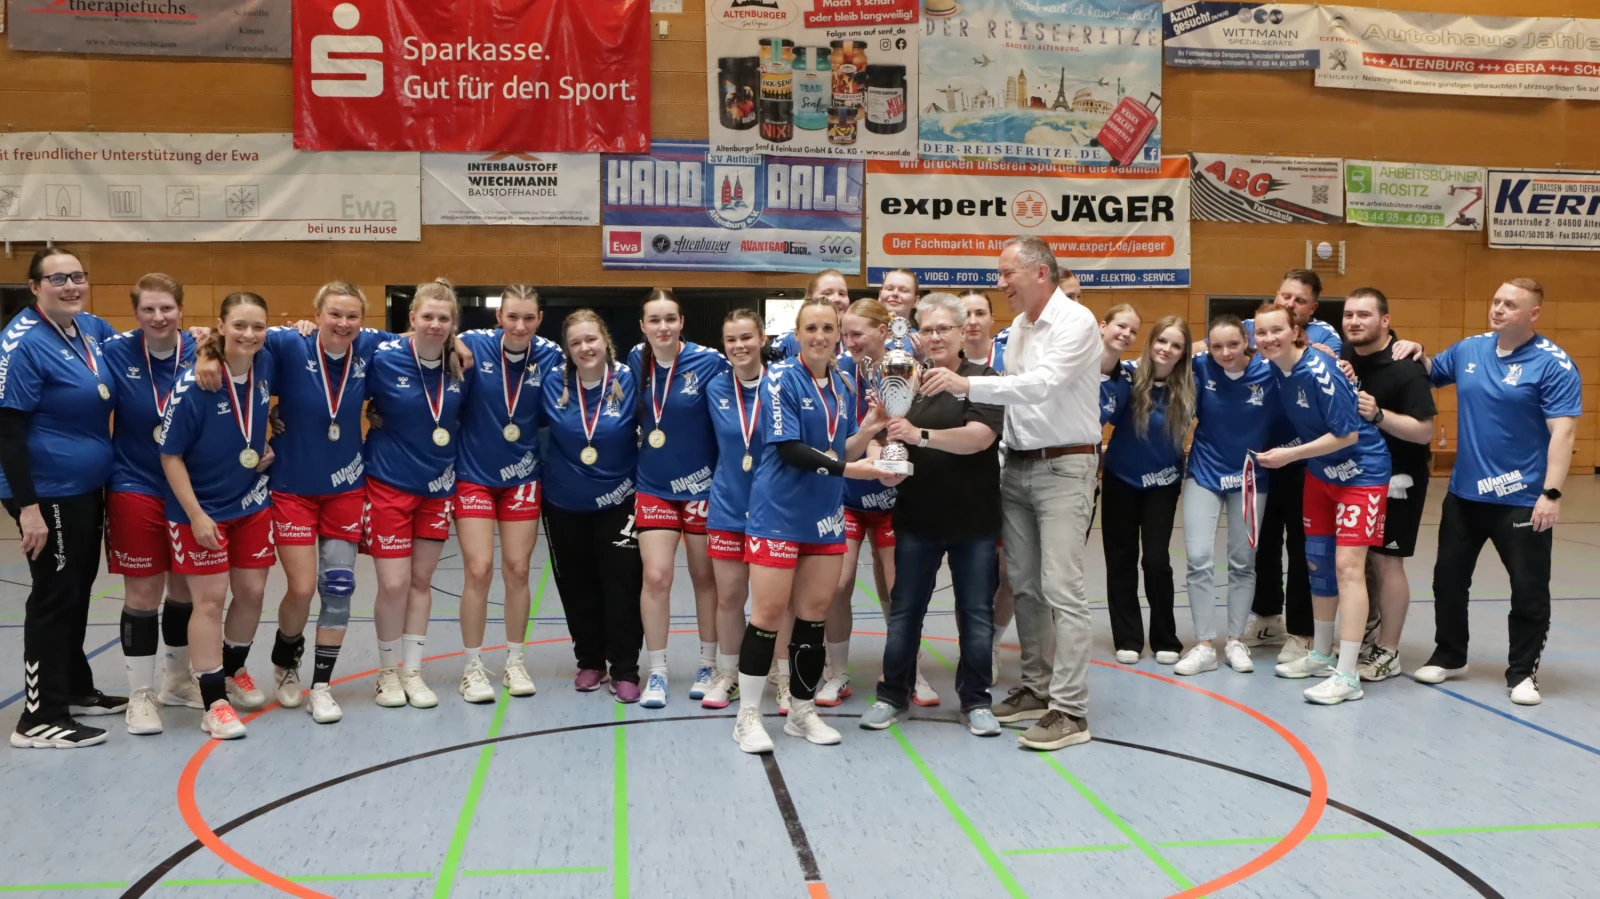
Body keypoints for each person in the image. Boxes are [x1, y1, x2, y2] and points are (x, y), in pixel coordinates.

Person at [921, 236, 1101, 752]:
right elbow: (1017, 399)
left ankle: (1071, 710)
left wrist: (966, 386)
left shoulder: (1076, 322)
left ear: (1040, 273)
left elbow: (1042, 385)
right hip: (1018, 465)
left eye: (1007, 274)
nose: (1000, 284)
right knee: (1024, 585)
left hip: (1065, 465)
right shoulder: (1019, 327)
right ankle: (1038, 689)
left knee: (1062, 587)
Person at [1397, 279, 1580, 705]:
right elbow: (1430, 372)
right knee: (1448, 579)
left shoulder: (1553, 364)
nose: (1497, 309)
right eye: (1496, 301)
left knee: (1528, 588)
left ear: (1533, 314)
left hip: (1521, 498)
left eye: (1510, 304)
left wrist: (1551, 493)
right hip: (1465, 495)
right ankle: (1450, 654)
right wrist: (1415, 350)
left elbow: (1564, 433)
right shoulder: (1469, 349)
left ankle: (1522, 673)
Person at [731, 298, 887, 753]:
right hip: (778, 516)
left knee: (815, 614)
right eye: (811, 328)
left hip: (824, 516)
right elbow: (791, 450)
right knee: (767, 615)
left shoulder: (842, 383)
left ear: (838, 335)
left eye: (828, 328)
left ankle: (801, 711)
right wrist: (852, 470)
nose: (820, 336)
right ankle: (747, 717)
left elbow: (840, 448)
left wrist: (868, 430)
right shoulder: (780, 377)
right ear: (797, 334)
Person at [236, 281, 391, 726]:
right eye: (334, 314)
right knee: (303, 588)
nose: (343, 323)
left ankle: (321, 686)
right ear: (316, 313)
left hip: (345, 487)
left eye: (352, 316)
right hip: (293, 488)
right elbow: (234, 341)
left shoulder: (371, 346)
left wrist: (461, 345)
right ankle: (286, 661)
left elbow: (424, 336)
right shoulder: (289, 342)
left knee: (339, 587)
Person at [858, 293, 1004, 737]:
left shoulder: (983, 380)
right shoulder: (903, 379)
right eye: (928, 329)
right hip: (917, 518)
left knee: (976, 614)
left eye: (944, 328)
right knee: (905, 612)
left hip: (974, 521)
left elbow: (978, 438)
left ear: (963, 332)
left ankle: (976, 701)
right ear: (917, 336)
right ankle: (892, 695)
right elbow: (881, 436)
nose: (936, 336)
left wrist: (919, 435)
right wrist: (881, 460)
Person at [2, 247, 124, 748]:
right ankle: (40, 716)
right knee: (54, 595)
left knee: (76, 587)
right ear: (35, 287)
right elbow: (7, 431)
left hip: (84, 487)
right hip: (45, 492)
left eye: (77, 276)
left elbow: (141, 349)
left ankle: (74, 687)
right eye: (58, 279)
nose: (71, 286)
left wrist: (199, 339)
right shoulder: (21, 344)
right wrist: (29, 509)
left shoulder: (89, 328)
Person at [1252, 303, 1390, 706]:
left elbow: (1348, 435)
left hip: (1361, 473)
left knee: (1348, 567)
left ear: (1296, 332)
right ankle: (1322, 653)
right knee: (1317, 563)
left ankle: (1347, 674)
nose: (1268, 339)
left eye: (1277, 330)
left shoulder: (1319, 370)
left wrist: (1290, 455)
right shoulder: (1275, 368)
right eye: (1261, 332)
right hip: (1321, 474)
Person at [158, 291, 278, 739]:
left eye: (258, 326)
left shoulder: (266, 365)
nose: (249, 334)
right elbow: (170, 456)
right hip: (200, 511)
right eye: (239, 325)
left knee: (251, 592)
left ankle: (232, 669)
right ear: (221, 327)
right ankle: (214, 703)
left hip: (251, 502)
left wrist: (263, 445)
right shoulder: (194, 386)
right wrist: (196, 516)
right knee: (209, 600)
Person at [101, 275, 201, 734]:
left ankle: (177, 681)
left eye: (167, 308)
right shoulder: (114, 351)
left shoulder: (203, 350)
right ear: (136, 313)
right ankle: (140, 694)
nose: (158, 317)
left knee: (184, 589)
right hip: (134, 483)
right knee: (142, 593)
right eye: (148, 309)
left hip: (190, 489)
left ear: (181, 309)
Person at [362, 279, 468, 710]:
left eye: (443, 318)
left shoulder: (461, 364)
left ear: (453, 323)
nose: (435, 324)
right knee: (394, 583)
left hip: (438, 488)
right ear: (412, 318)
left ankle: (412, 671)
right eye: (427, 316)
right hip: (389, 484)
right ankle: (387, 673)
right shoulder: (383, 356)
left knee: (421, 582)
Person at [454, 286, 563, 704]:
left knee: (518, 570)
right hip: (474, 476)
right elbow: (424, 338)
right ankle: (472, 666)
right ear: (499, 316)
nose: (520, 325)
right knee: (479, 569)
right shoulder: (473, 343)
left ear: (539, 319)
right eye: (512, 316)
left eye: (528, 318)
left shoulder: (551, 355)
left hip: (521, 476)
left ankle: (515, 660)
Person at [817, 297, 924, 706]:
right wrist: (872, 449)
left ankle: (906, 670)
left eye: (856, 334)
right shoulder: (841, 375)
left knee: (899, 589)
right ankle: (837, 672)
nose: (848, 342)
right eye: (844, 334)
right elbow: (842, 439)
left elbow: (914, 428)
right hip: (849, 496)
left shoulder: (909, 368)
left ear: (883, 331)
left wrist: (890, 456)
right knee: (838, 584)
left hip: (895, 497)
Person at [628, 288, 731, 708]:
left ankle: (708, 664)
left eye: (670, 318)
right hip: (654, 487)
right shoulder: (635, 361)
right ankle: (657, 671)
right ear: (643, 326)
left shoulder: (710, 362)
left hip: (702, 488)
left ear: (682, 322)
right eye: (654, 320)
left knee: (705, 577)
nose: (663, 327)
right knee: (655, 577)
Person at [542, 311, 646, 702]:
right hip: (563, 502)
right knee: (576, 584)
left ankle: (625, 669)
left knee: (623, 584)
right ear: (567, 349)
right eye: (576, 342)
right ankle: (589, 661)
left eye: (591, 339)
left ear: (605, 340)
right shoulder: (552, 382)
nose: (585, 348)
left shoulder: (629, 379)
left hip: (620, 500)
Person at [1244, 270, 1341, 658]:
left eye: (1299, 300)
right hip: (1264, 456)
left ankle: (1302, 631)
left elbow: (1328, 357)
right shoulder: (1257, 325)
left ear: (1311, 308)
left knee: (1304, 545)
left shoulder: (1324, 336)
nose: (1290, 303)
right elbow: (1216, 341)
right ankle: (1267, 616)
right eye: (1285, 296)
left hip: (1305, 455)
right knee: (1264, 540)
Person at [1339, 288, 1435, 682]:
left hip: (1399, 480)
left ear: (1385, 321)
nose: (1354, 321)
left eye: (1364, 314)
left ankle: (1389, 651)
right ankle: (1360, 637)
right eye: (1349, 314)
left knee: (1386, 561)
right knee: (1355, 561)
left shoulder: (1406, 367)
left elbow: (1424, 431)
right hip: (1354, 476)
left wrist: (1379, 415)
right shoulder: (1345, 357)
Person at [1174, 315, 1276, 676]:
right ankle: (1204, 644)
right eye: (1216, 346)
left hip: (1250, 479)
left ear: (1246, 341)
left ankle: (1235, 640)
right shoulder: (1201, 367)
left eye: (1233, 344)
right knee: (1199, 558)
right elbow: (1161, 358)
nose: (1225, 353)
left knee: (1243, 561)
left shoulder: (1269, 370)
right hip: (1205, 473)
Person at [1101, 317, 1195, 667]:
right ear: (1150, 341)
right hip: (1120, 480)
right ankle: (1127, 637)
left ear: (1184, 352)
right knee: (1121, 559)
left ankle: (1165, 637)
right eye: (1162, 341)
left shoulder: (1191, 383)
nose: (1167, 349)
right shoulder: (1126, 376)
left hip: (1163, 484)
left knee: (1156, 560)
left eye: (1176, 345)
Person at [702, 310, 771, 709]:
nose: (739, 346)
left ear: (761, 338)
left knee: (772, 601)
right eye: (731, 340)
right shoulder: (715, 387)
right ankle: (728, 674)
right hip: (727, 506)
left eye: (746, 337)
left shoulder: (781, 384)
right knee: (729, 596)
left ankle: (780, 674)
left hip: (772, 509)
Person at [959, 288, 1012, 682]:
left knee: (1011, 573)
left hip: (1011, 476)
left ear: (992, 319)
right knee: (971, 575)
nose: (973, 321)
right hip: (965, 482)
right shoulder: (942, 362)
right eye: (965, 314)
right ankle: (970, 649)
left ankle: (990, 642)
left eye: (980, 312)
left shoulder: (1012, 359)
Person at [769, 269, 851, 360]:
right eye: (827, 293)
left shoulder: (855, 342)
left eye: (842, 294)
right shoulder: (785, 344)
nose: (837, 299)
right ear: (809, 298)